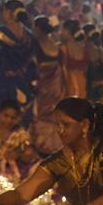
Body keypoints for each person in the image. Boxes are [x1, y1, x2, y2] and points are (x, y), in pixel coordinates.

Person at [0, 97, 103, 205]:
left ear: (84, 125)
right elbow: (20, 194)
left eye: (66, 124)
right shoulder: (59, 161)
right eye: (57, 124)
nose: (60, 131)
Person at [0, 0, 36, 120]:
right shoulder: (30, 35)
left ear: (9, 12)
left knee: (4, 114)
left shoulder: (0, 33)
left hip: (4, 79)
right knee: (20, 115)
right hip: (24, 80)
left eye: (4, 11)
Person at [30, 16, 66, 154]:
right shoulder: (57, 48)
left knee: (44, 116)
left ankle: (45, 146)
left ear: (39, 29)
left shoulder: (35, 47)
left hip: (46, 87)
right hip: (53, 87)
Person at [60, 19, 88, 98]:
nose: (60, 33)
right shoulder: (84, 48)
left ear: (68, 32)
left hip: (71, 86)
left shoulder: (63, 49)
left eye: (62, 30)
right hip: (84, 85)